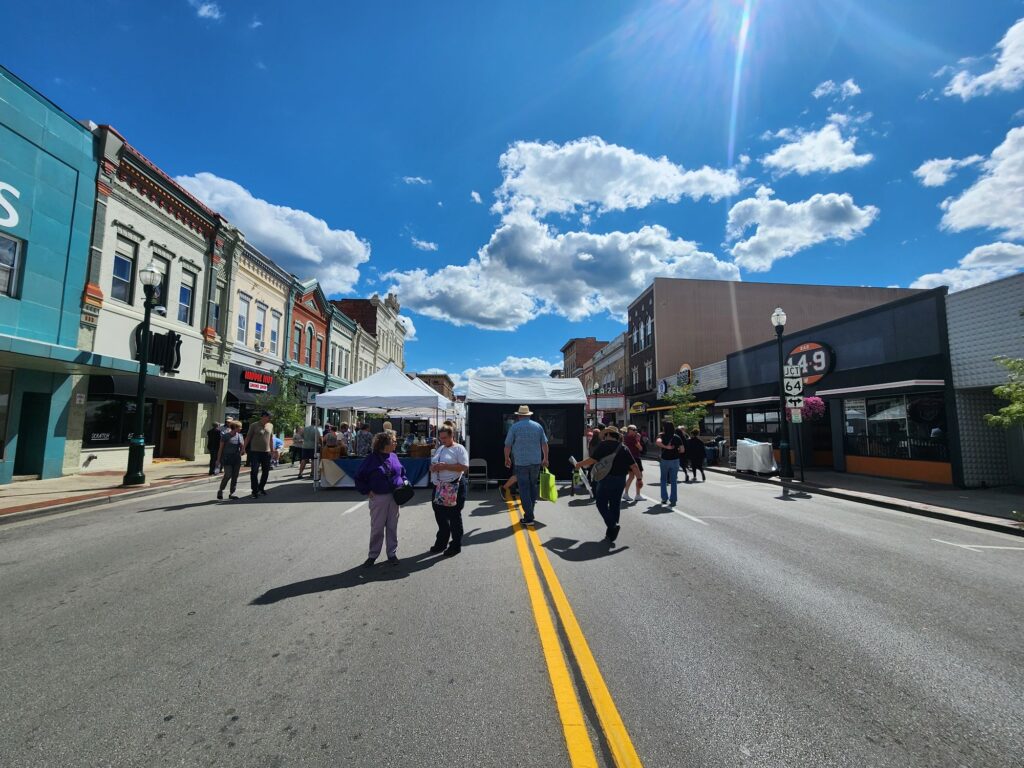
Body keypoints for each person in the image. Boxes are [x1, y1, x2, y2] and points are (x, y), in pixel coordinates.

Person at [574, 426, 642, 544]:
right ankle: (611, 533)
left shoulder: (603, 445)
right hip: (620, 480)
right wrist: (639, 479)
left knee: (601, 504)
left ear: (608, 435)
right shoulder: (623, 448)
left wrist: (579, 464)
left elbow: (593, 459)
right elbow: (634, 466)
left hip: (606, 480)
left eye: (605, 435)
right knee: (615, 505)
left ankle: (612, 525)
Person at [354, 432, 407, 568]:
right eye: (393, 441)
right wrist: (367, 490)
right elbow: (359, 477)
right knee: (377, 528)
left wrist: (405, 483)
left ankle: (392, 554)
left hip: (395, 497)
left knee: (392, 527)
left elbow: (402, 472)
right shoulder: (371, 459)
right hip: (379, 497)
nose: (396, 443)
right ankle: (373, 555)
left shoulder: (394, 456)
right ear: (385, 444)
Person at [503, 405, 549, 525]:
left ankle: (529, 517)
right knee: (533, 487)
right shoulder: (538, 426)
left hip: (521, 463)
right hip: (536, 462)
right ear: (529, 415)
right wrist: (545, 458)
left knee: (524, 489)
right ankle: (530, 513)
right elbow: (544, 444)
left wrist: (507, 458)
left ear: (519, 415)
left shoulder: (514, 427)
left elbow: (507, 445)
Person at [429, 425, 469, 557]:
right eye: (441, 438)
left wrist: (446, 467)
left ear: (452, 436)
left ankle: (455, 545)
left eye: (445, 438)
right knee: (440, 515)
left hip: (454, 486)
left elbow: (464, 467)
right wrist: (433, 468)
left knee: (454, 516)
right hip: (439, 486)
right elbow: (434, 464)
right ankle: (441, 542)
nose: (443, 440)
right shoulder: (440, 448)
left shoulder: (459, 449)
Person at [243, 411, 274, 498]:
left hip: (266, 452)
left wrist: (272, 450)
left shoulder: (270, 425)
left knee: (266, 471)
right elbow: (248, 437)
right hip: (255, 452)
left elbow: (271, 439)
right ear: (263, 416)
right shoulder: (254, 425)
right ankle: (254, 491)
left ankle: (261, 488)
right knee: (254, 471)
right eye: (269, 417)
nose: (270, 419)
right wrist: (243, 448)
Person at [655, 420, 683, 506]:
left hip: (665, 460)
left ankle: (664, 498)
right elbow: (682, 450)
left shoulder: (661, 435)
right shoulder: (677, 437)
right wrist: (677, 450)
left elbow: (658, 442)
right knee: (673, 480)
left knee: (663, 479)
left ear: (664, 428)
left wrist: (666, 447)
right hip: (675, 460)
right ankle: (673, 499)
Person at [216, 421, 245, 499]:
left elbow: (242, 448)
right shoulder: (225, 436)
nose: (241, 428)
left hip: (236, 459)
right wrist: (218, 460)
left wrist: (242, 450)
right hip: (227, 459)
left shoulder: (240, 436)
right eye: (239, 427)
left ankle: (232, 493)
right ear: (235, 427)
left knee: (235, 476)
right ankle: (221, 490)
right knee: (228, 474)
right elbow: (220, 449)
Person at [622, 424, 645, 502]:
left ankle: (626, 493)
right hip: (635, 458)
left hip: (628, 458)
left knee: (631, 476)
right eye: (634, 430)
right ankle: (638, 495)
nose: (635, 431)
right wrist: (638, 439)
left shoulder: (625, 437)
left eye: (636, 430)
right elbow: (640, 448)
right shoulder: (632, 438)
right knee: (639, 476)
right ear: (629, 430)